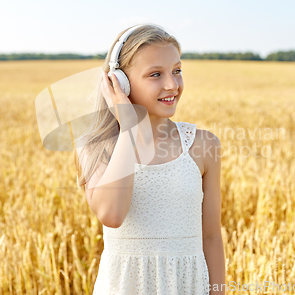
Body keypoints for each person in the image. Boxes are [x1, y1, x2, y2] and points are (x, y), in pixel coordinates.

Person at [74, 24, 225, 295]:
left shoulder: (202, 145)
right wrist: (129, 130)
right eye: (156, 74)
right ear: (119, 83)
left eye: (177, 71)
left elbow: (212, 236)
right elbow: (112, 214)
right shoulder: (96, 146)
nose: (172, 84)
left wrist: (217, 291)